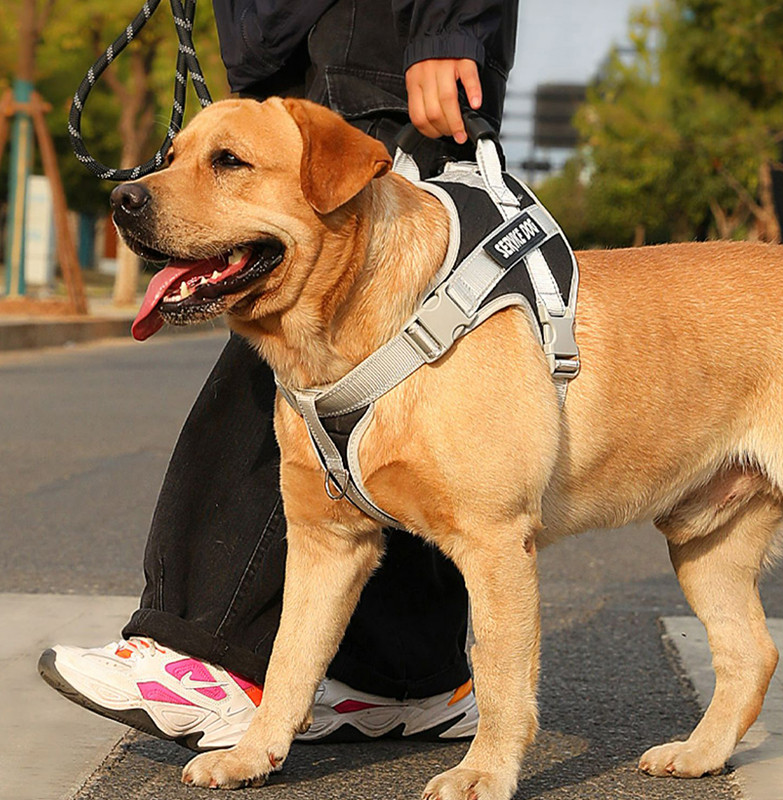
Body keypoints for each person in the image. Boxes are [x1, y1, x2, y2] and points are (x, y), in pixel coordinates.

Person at [39, 0, 519, 749]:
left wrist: (448, 25)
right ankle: (403, 677)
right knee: (392, 384)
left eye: (220, 165)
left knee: (310, 325)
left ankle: (203, 646)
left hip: (377, 37)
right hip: (285, 41)